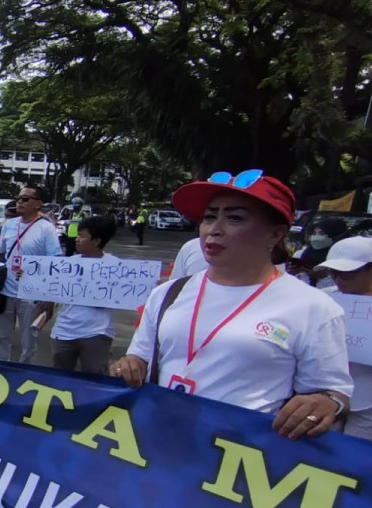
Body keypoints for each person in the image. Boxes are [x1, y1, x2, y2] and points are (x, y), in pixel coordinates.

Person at [113, 171, 352, 440]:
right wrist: (129, 365)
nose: (214, 229)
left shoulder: (314, 307)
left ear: (275, 233)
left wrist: (326, 402)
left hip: (241, 461)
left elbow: (332, 391)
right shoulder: (168, 293)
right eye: (209, 216)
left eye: (234, 218)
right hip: (161, 447)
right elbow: (139, 357)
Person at [318, 236, 372, 443]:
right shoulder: (322, 297)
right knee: (321, 450)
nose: (339, 279)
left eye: (348, 273)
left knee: (361, 456)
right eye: (333, 272)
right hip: (325, 392)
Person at [0, 184, 61, 363]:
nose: (19, 202)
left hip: (31, 293)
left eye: (25, 199)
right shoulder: (10, 225)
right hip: (4, 289)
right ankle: (0, 369)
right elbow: (0, 251)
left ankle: (24, 372)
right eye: (18, 198)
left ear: (38, 204)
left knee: (29, 340)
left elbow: (55, 262)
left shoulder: (46, 229)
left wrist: (50, 297)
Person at [47, 215, 117, 374]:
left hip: (97, 334)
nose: (77, 239)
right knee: (60, 381)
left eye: (82, 236)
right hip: (64, 332)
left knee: (94, 382)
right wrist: (27, 276)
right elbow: (48, 285)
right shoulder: (69, 263)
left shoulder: (114, 265)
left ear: (97, 241)